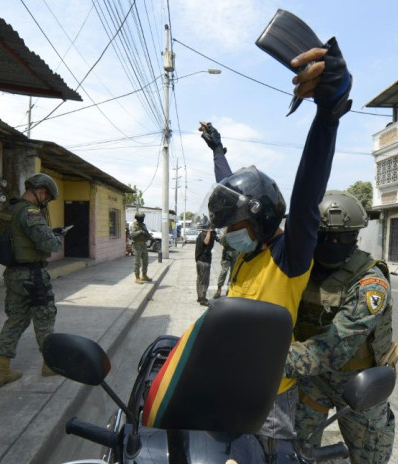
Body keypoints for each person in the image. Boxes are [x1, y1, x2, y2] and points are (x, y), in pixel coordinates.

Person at [143, 36, 353, 438]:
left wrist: (328, 116)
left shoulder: (288, 255)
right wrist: (219, 150)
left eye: (232, 229)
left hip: (269, 397)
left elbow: (307, 191)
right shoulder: (248, 247)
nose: (226, 237)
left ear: (261, 221)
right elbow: (234, 194)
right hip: (225, 377)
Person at [286, 190, 397, 464]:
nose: (332, 245)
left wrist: (271, 359)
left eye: (343, 237)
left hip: (360, 383)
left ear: (355, 237)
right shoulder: (302, 269)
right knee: (294, 457)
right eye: (325, 237)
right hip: (313, 381)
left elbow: (332, 350)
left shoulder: (369, 281)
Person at [0, 173, 66, 389]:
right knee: (44, 318)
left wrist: (48, 234)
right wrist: (57, 236)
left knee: (15, 320)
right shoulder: (30, 213)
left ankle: (0, 371)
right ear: (41, 191)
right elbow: (50, 245)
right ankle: (49, 365)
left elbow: (22, 237)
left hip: (13, 275)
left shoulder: (9, 210)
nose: (46, 202)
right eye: (47, 198)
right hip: (32, 275)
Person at [194, 222, 216, 306]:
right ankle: (203, 299)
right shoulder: (204, 235)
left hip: (200, 261)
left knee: (200, 280)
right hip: (203, 262)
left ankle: (200, 297)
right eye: (210, 228)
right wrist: (209, 231)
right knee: (204, 281)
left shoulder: (202, 235)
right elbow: (206, 242)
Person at [129, 212, 152, 284]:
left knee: (146, 261)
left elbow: (147, 234)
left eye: (143, 218)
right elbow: (132, 235)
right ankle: (137, 277)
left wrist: (149, 236)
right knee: (137, 262)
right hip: (137, 245)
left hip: (143, 244)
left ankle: (144, 275)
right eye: (142, 218)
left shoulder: (143, 225)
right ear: (138, 218)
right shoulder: (134, 225)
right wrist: (140, 232)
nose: (143, 219)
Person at [213, 233, 238, 299]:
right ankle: (219, 289)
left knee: (233, 272)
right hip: (227, 252)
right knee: (224, 271)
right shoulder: (227, 231)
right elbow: (222, 242)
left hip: (236, 252)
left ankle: (229, 288)